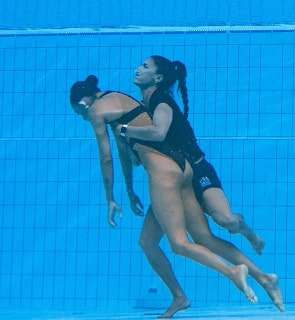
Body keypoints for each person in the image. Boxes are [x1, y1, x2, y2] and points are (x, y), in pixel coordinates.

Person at [68, 75, 258, 311]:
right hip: (182, 166)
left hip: (163, 173)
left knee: (180, 244)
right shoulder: (118, 100)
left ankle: (233, 272)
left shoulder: (96, 111)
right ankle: (180, 297)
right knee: (150, 241)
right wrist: (129, 189)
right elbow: (123, 154)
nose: (85, 118)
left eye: (80, 114)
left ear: (82, 104)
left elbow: (105, 157)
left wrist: (110, 199)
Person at [119, 56, 284, 317]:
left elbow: (160, 132)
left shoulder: (161, 101)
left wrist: (125, 130)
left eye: (146, 67)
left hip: (197, 170)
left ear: (159, 78)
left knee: (226, 221)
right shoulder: (144, 105)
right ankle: (264, 279)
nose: (138, 69)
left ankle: (249, 235)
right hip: (175, 179)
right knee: (193, 239)